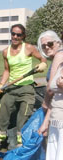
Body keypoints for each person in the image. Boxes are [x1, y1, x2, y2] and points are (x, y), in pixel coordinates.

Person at [0, 24, 47, 151]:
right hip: (11, 88)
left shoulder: (29, 48)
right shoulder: (5, 51)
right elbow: (7, 70)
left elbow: (43, 58)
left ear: (23, 36)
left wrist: (42, 65)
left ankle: (21, 144)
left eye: (18, 34)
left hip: (27, 88)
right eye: (13, 33)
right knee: (3, 111)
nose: (15, 36)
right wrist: (1, 84)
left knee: (24, 115)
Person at [37, 30, 63, 160]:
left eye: (50, 43)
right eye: (43, 46)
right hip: (56, 114)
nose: (47, 47)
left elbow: (51, 90)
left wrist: (45, 103)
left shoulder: (59, 56)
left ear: (58, 42)